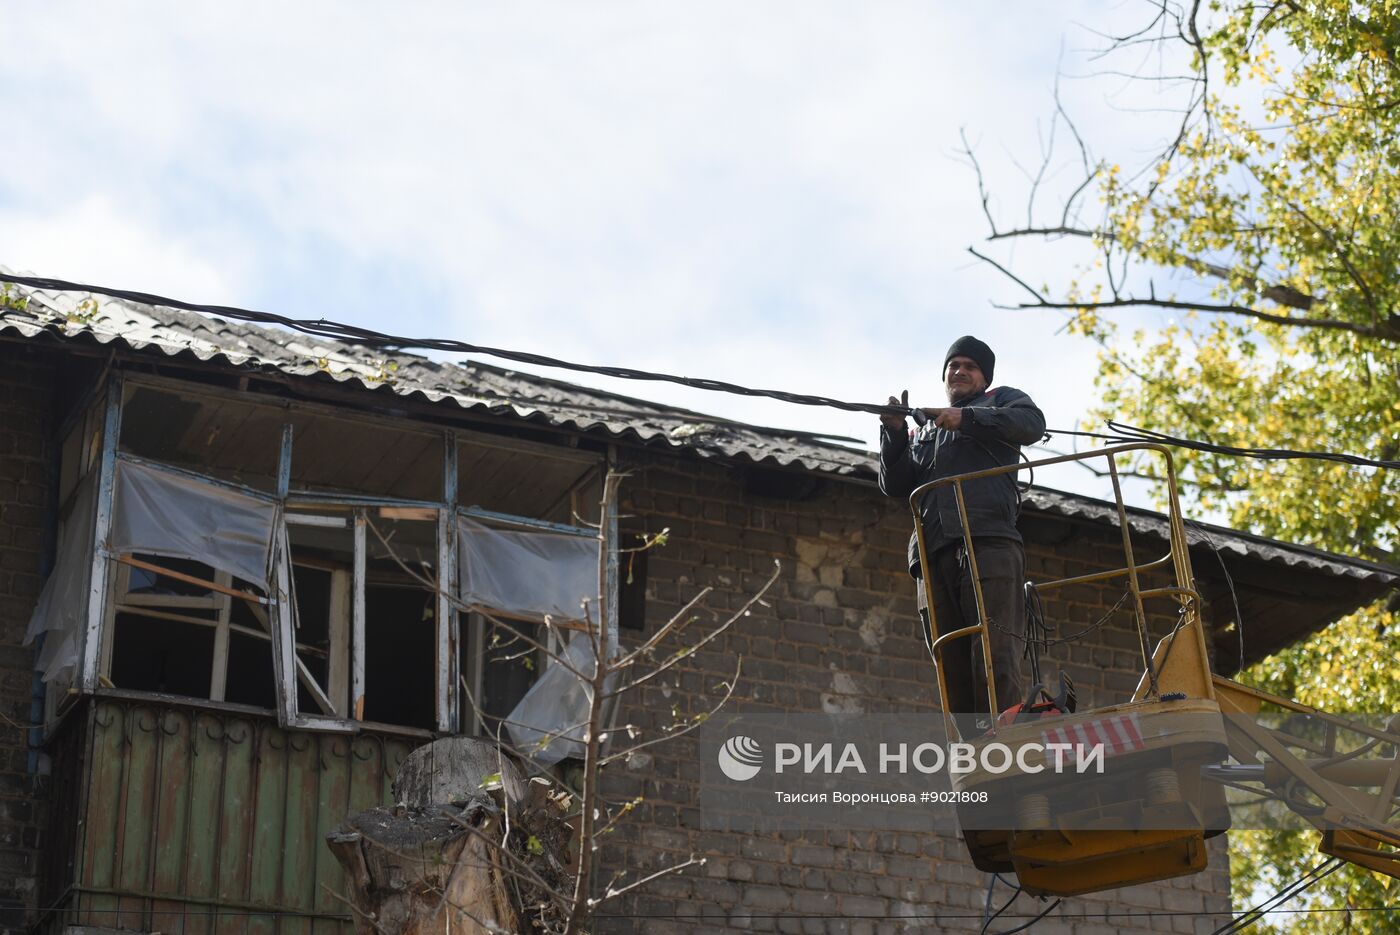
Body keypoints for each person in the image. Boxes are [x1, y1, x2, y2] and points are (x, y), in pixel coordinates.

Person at [878, 336, 1045, 722]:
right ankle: (970, 747)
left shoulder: (1001, 400)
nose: (960, 371)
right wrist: (895, 433)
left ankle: (1003, 734)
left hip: (987, 543)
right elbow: (895, 485)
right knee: (949, 656)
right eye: (954, 366)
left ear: (984, 378)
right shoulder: (925, 431)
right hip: (933, 552)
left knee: (993, 649)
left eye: (970, 366)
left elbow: (1032, 424)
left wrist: (967, 419)